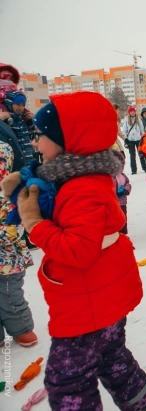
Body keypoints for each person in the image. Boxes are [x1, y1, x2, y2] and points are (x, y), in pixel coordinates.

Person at [13, 91, 146, 410]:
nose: (36, 144)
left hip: (87, 306)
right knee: (111, 357)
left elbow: (78, 250)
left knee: (68, 381)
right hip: (98, 298)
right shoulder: (78, 179)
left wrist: (34, 223)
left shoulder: (82, 188)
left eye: (41, 136)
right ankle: (145, 405)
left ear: (68, 141)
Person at [0, 140, 36, 347]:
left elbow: (17, 227)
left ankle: (21, 328)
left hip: (9, 259)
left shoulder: (14, 192)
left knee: (10, 296)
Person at [3, 91, 36, 163]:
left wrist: (35, 120)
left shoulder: (25, 118)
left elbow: (39, 135)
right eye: (18, 105)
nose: (21, 108)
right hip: (13, 163)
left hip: (29, 162)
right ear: (10, 103)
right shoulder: (5, 120)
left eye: (23, 105)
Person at [111, 151, 132, 235]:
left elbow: (128, 184)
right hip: (111, 202)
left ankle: (123, 234)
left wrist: (125, 190)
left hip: (122, 201)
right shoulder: (107, 176)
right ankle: (114, 234)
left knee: (123, 218)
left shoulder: (122, 175)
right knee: (113, 219)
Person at [122, 106, 145, 175]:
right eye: (131, 111)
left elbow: (142, 129)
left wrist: (143, 137)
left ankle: (144, 167)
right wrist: (125, 139)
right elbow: (124, 130)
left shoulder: (138, 119)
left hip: (138, 139)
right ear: (129, 112)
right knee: (132, 156)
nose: (133, 112)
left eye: (133, 111)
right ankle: (133, 170)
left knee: (141, 154)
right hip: (130, 140)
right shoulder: (126, 120)